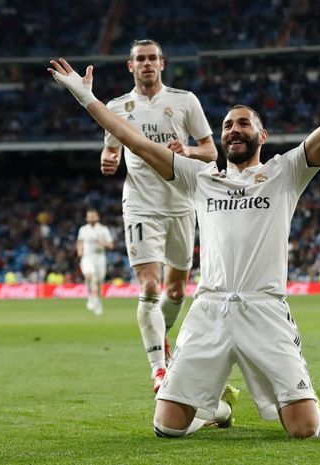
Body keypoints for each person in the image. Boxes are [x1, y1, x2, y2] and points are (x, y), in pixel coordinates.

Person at [49, 16, 320, 439]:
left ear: (262, 134)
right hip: (210, 309)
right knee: (166, 429)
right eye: (227, 126)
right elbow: (138, 143)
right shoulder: (200, 177)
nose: (233, 130)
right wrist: (87, 99)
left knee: (305, 431)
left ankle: (306, 401)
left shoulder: (286, 172)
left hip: (264, 308)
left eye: (242, 124)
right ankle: (218, 406)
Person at [99, 39, 218, 391]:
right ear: (130, 66)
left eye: (153, 58)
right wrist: (109, 159)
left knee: (177, 291)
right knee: (150, 285)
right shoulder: (117, 107)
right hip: (140, 204)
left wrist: (189, 151)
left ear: (162, 64)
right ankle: (159, 367)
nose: (147, 64)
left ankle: (159, 337)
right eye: (141, 59)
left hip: (182, 204)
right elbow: (110, 150)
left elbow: (212, 152)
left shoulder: (185, 101)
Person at [77, 209, 114, 315]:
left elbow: (111, 245)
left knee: (98, 282)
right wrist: (80, 252)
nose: (91, 218)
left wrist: (102, 242)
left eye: (93, 216)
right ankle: (90, 297)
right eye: (89, 216)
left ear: (97, 217)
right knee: (89, 276)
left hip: (100, 258)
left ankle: (97, 300)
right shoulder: (83, 229)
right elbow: (80, 241)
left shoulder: (103, 229)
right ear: (86, 218)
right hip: (87, 257)